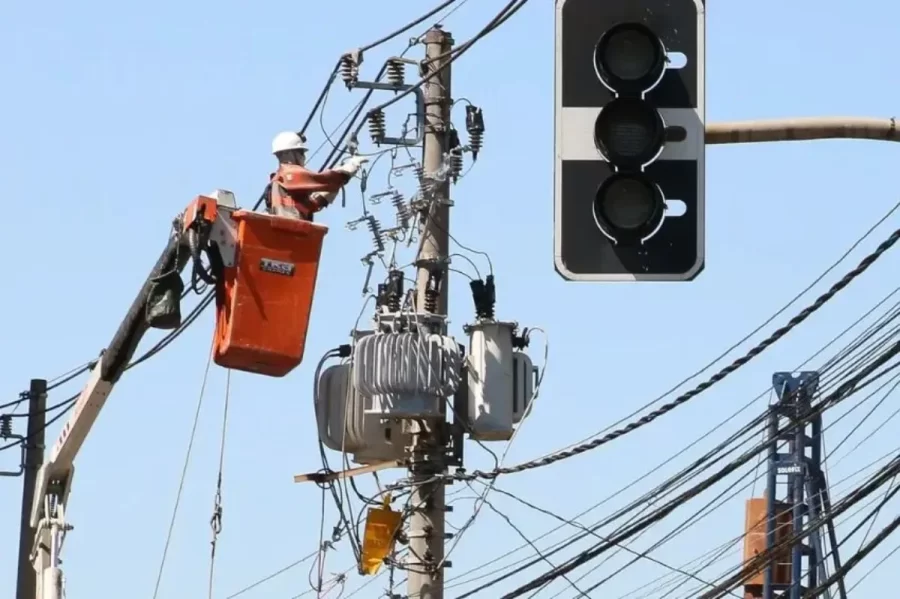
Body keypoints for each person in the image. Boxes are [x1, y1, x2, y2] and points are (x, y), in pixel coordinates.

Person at [266, 131, 368, 220]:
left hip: (290, 234)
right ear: (288, 153)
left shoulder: (279, 181)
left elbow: (310, 205)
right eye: (301, 152)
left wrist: (328, 193)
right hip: (292, 232)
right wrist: (352, 165)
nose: (304, 157)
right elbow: (328, 180)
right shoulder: (289, 173)